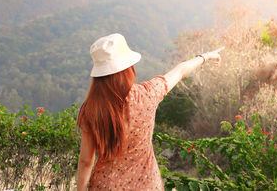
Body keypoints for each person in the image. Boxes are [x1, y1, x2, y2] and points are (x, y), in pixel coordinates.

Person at [76, 33, 222, 190]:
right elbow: (179, 71)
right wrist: (205, 57)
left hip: (105, 186)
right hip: (147, 184)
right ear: (128, 69)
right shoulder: (148, 94)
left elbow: (86, 161)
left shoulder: (92, 109)